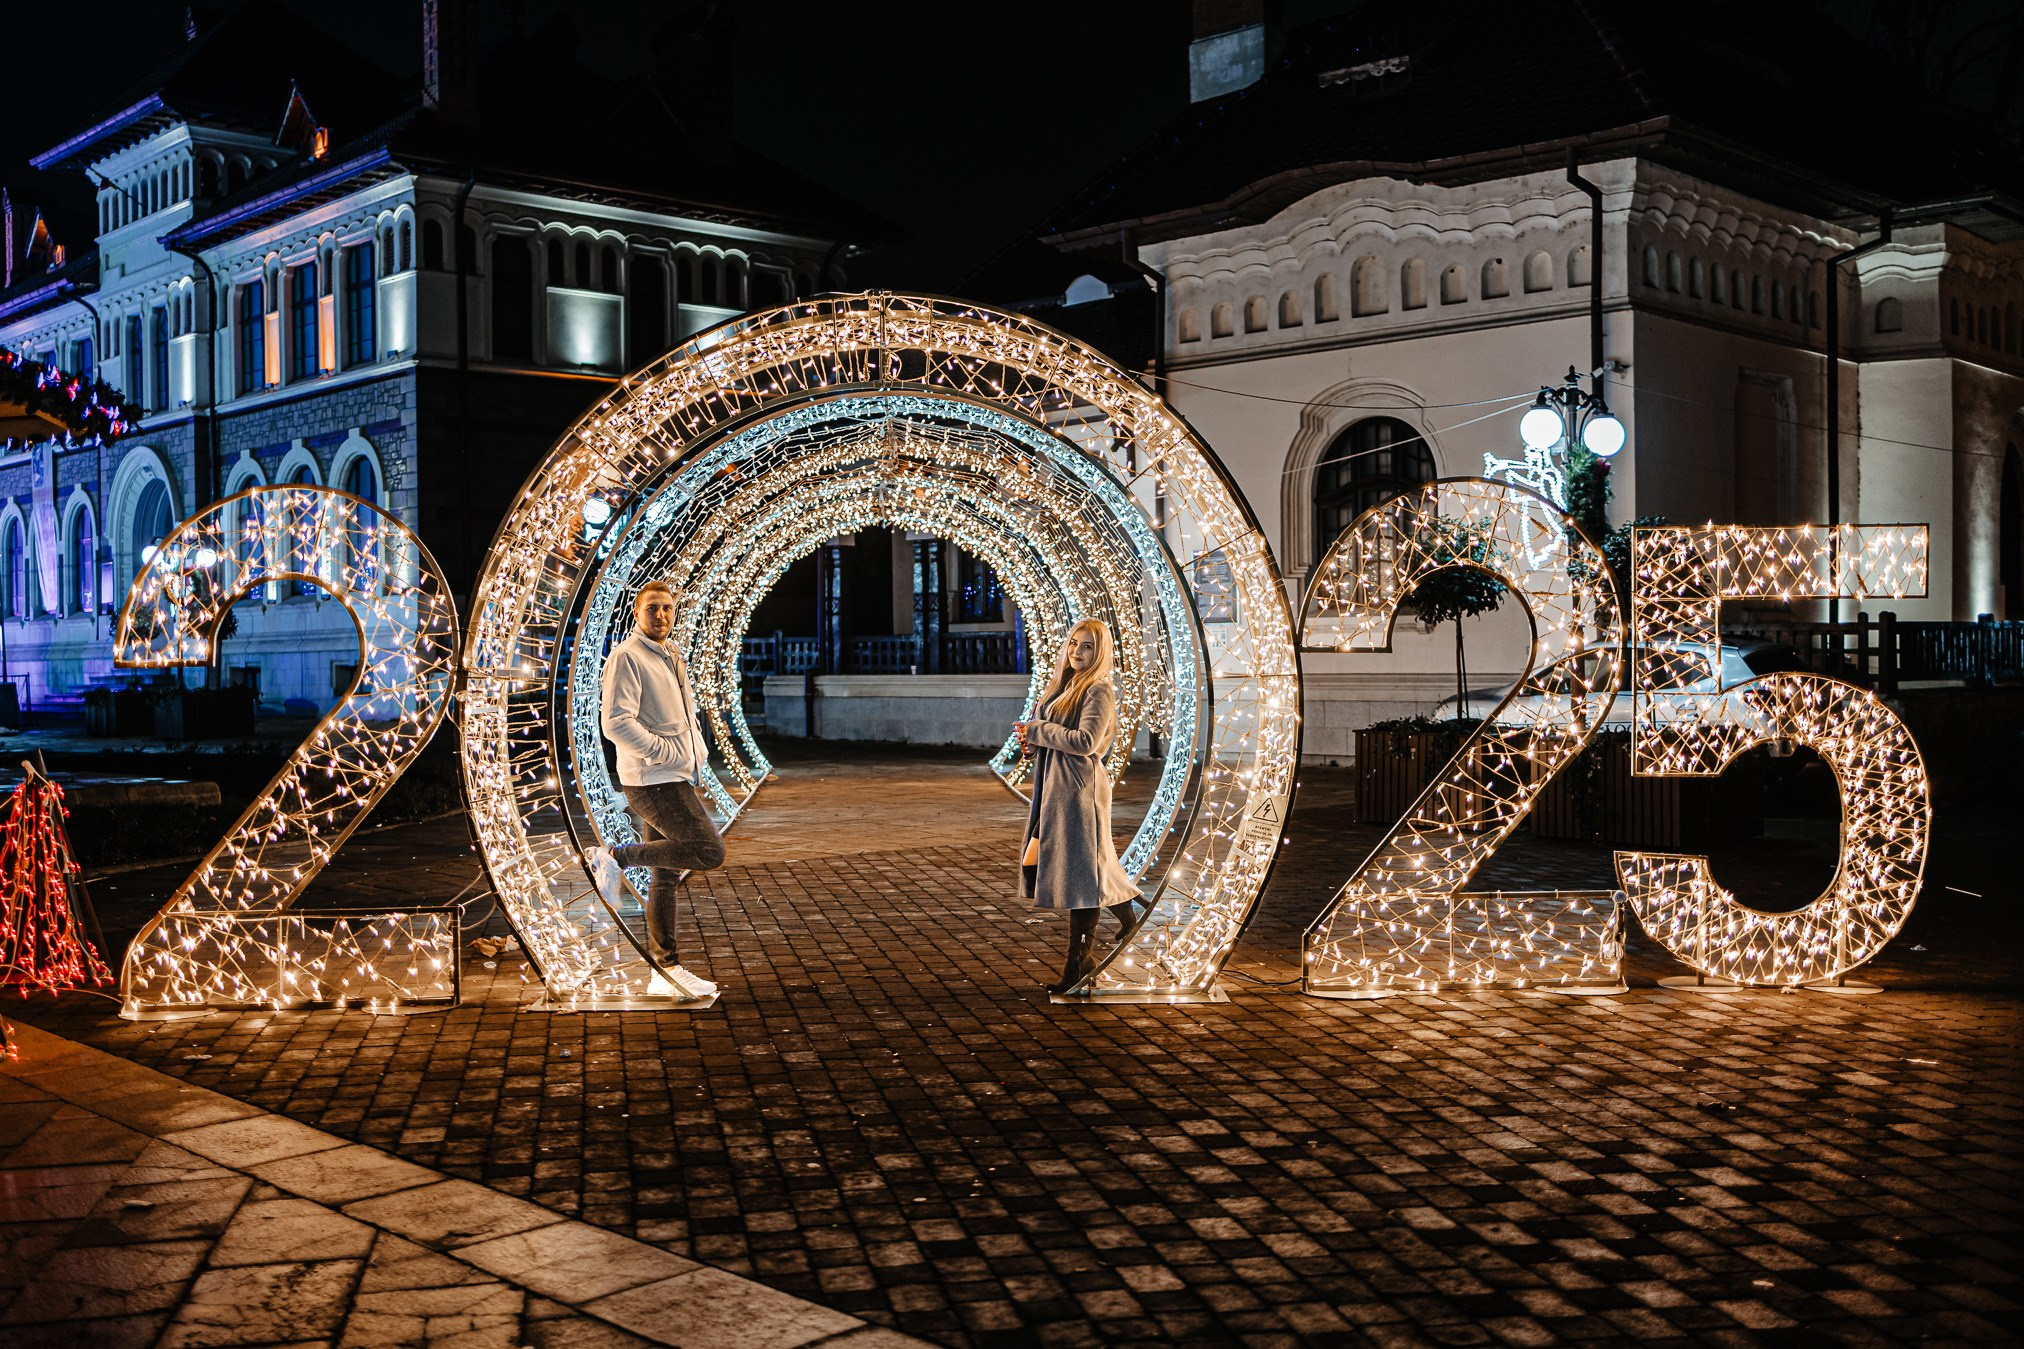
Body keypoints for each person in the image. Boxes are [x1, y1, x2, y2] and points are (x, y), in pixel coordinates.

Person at [587, 580, 726, 988]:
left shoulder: (671, 654)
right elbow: (615, 723)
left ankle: (665, 971)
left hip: (674, 774)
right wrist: (666, 753)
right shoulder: (627, 656)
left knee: (665, 875)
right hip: (654, 781)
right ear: (636, 614)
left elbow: (683, 716)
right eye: (652, 609)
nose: (661, 615)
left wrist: (692, 753)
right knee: (707, 850)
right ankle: (614, 856)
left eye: (667, 608)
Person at [1016, 618, 1142, 995]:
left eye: (1087, 646)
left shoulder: (1098, 690)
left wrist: (1038, 731)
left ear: (1099, 652)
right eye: (1074, 643)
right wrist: (1031, 743)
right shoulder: (1063, 684)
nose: (1077, 651)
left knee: (1081, 872)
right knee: (1074, 863)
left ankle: (1079, 962)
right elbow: (1052, 732)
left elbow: (1086, 741)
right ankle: (1124, 909)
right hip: (1054, 784)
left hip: (1078, 787)